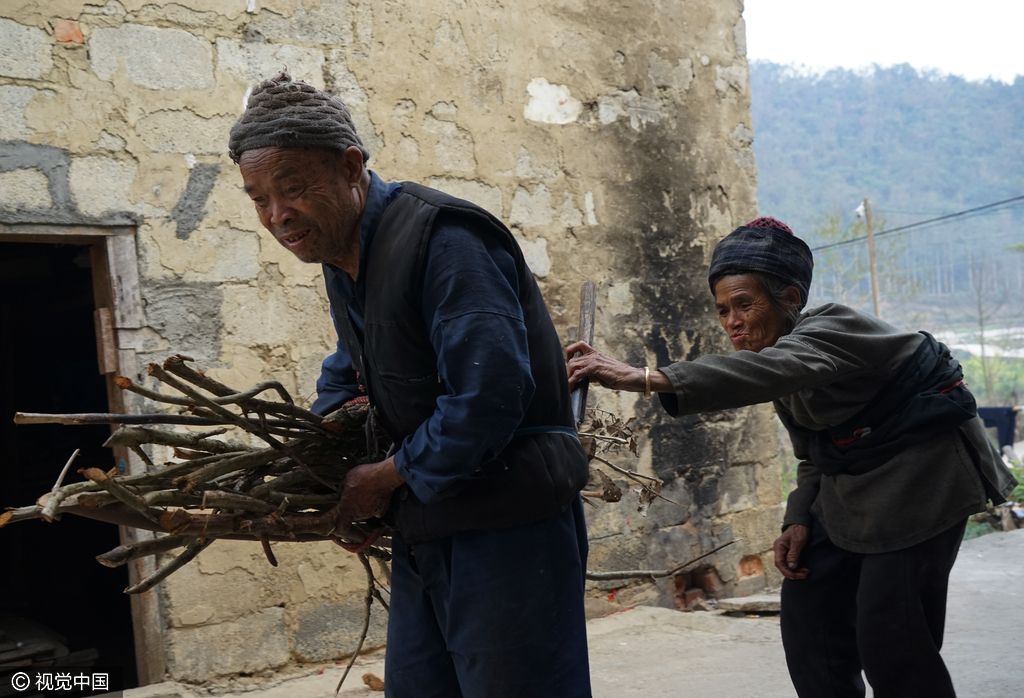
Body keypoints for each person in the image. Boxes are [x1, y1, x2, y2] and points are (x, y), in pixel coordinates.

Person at [228, 72, 592, 698]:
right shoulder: (344, 261)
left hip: (508, 525)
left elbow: (489, 396)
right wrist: (328, 459)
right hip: (429, 526)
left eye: (293, 189)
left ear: (350, 167)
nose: (277, 215)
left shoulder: (444, 240)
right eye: (258, 198)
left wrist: (386, 477)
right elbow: (351, 367)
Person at [565, 216, 1017, 698]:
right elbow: (814, 451)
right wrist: (798, 519)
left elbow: (768, 370)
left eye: (744, 304)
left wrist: (645, 377)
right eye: (722, 310)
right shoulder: (777, 357)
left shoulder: (831, 330)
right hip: (851, 485)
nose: (732, 323)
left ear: (792, 299)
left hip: (924, 479)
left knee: (893, 637)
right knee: (810, 615)